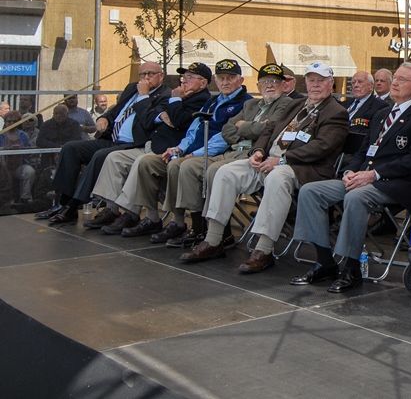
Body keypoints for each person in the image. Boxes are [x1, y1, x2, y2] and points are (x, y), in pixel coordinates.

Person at [179, 62, 348, 272]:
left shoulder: (336, 112)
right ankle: (213, 240)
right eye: (311, 80)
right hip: (269, 160)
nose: (315, 85)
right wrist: (258, 151)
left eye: (321, 81)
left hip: (301, 168)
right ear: (305, 82)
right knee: (226, 172)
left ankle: (263, 250)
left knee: (277, 178)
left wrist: (283, 159)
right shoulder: (297, 105)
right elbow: (269, 129)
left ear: (331, 83)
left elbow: (322, 147)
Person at [289, 62, 411, 292]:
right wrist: (349, 172)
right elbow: (362, 151)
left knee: (356, 197)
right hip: (362, 178)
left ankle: (350, 267)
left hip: (395, 184)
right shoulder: (380, 114)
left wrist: (374, 174)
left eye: (402, 79)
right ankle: (325, 260)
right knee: (311, 191)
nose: (395, 82)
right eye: (395, 77)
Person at [162, 63, 295, 248]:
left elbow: (269, 130)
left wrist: (243, 126)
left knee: (215, 170)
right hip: (232, 151)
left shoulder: (287, 105)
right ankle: (198, 226)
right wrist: (246, 128)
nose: (269, 85)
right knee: (187, 166)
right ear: (258, 86)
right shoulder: (251, 104)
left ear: (283, 85)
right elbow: (227, 130)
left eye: (274, 81)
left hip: (252, 154)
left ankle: (219, 233)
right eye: (265, 82)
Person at [115, 60, 250, 239]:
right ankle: (153, 218)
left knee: (179, 166)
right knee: (147, 162)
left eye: (230, 78)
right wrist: (178, 148)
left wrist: (195, 153)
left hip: (216, 154)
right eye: (221, 78)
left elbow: (225, 136)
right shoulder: (212, 101)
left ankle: (184, 223)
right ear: (216, 80)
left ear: (240, 80)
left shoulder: (245, 103)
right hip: (189, 151)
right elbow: (193, 129)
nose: (225, 82)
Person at [38, 62, 170, 224]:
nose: (146, 78)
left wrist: (144, 96)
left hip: (135, 144)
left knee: (100, 156)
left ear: (161, 76)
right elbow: (115, 111)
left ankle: (74, 206)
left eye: (151, 74)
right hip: (112, 139)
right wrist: (104, 118)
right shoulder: (131, 88)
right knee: (70, 148)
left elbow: (148, 121)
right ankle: (63, 202)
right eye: (142, 74)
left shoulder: (165, 95)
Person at [337, 70, 389, 164]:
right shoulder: (344, 104)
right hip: (335, 148)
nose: (355, 85)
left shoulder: (380, 107)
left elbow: (372, 135)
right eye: (353, 82)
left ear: (370, 86)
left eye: (360, 82)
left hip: (353, 154)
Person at [1, 111, 36, 206]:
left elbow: (29, 151)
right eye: (9, 121)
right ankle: (7, 200)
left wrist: (22, 148)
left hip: (19, 165)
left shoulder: (23, 135)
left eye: (14, 121)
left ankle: (25, 198)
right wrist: (5, 148)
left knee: (29, 172)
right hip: (3, 167)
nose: (11, 123)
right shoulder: (1, 134)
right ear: (5, 122)